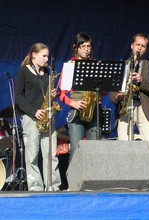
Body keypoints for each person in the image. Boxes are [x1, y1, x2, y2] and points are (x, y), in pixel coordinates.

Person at [109, 33, 149, 189]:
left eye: (143, 46)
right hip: (125, 107)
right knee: (124, 144)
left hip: (143, 108)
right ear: (131, 46)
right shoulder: (122, 66)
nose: (140, 48)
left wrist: (141, 81)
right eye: (138, 45)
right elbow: (112, 93)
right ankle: (128, 180)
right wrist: (118, 96)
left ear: (146, 49)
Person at [15, 43, 61, 191]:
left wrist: (53, 96)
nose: (46, 59)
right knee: (32, 155)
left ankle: (53, 186)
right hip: (31, 117)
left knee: (51, 154)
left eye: (47, 56)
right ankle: (36, 188)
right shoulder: (24, 71)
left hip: (47, 116)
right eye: (44, 56)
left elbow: (46, 94)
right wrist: (33, 111)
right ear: (33, 54)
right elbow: (18, 97)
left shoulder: (47, 73)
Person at [59, 32, 104, 162]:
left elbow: (103, 93)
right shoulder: (70, 65)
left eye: (88, 46)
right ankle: (73, 182)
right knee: (76, 149)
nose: (86, 49)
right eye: (83, 46)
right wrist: (73, 103)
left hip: (94, 111)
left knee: (94, 150)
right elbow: (61, 94)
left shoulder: (95, 64)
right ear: (76, 48)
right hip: (77, 111)